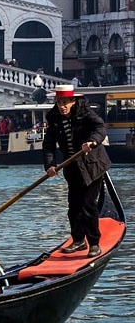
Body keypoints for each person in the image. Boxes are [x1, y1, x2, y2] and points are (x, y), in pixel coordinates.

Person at [43, 84, 111, 258]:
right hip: (72, 167)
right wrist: (50, 164)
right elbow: (49, 144)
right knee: (73, 206)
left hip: (93, 164)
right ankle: (79, 240)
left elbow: (100, 128)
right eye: (59, 102)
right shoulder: (53, 117)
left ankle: (94, 243)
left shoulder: (85, 112)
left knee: (88, 205)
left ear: (73, 101)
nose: (62, 106)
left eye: (65, 102)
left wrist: (92, 141)